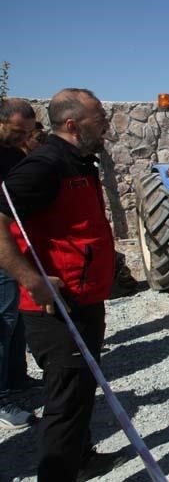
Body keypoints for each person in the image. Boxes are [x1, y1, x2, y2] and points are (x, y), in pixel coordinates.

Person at [0, 89, 123, 480]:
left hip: (84, 297)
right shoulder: (45, 165)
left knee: (83, 387)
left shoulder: (80, 161)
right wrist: (30, 278)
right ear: (72, 124)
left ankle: (81, 458)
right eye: (99, 115)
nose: (106, 122)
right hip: (55, 307)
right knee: (65, 400)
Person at [0, 98, 37, 430]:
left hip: (17, 243)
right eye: (17, 131)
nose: (23, 136)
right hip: (1, 246)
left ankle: (17, 377)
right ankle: (1, 398)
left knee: (17, 316)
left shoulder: (16, 153)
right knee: (2, 319)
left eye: (28, 131)